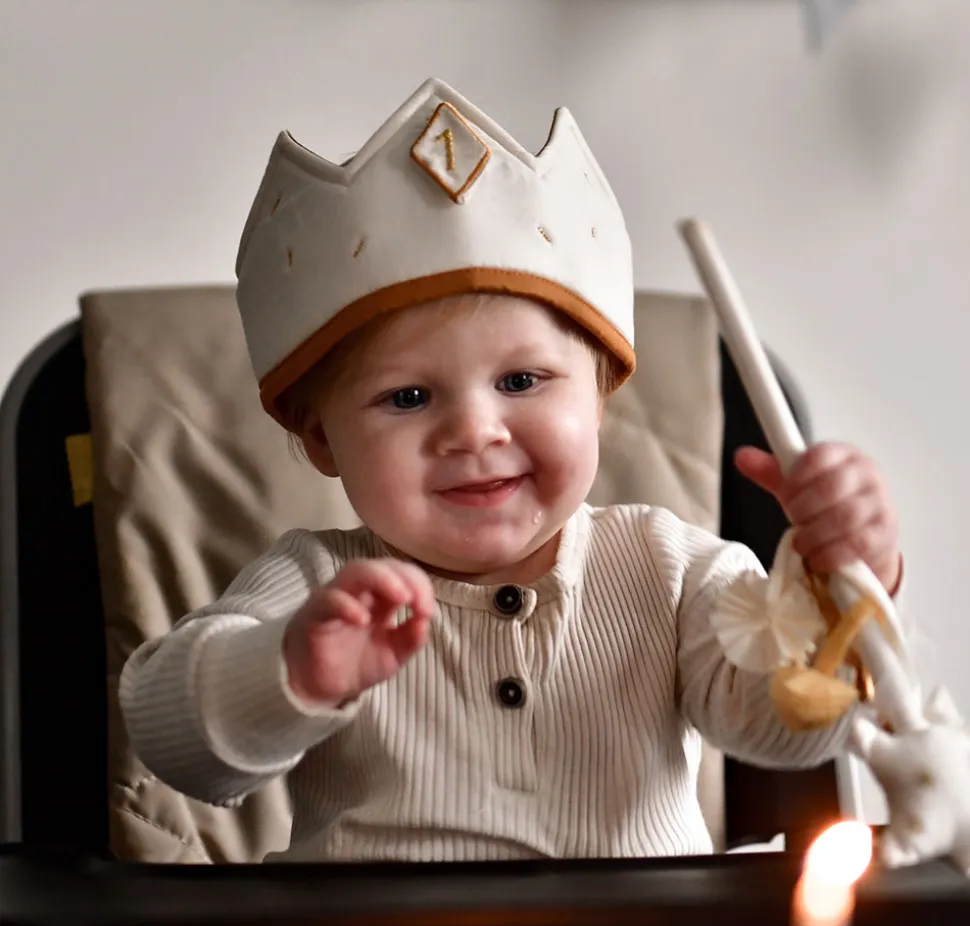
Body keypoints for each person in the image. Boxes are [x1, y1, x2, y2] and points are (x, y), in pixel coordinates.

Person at [120, 79, 901, 862]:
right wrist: (288, 670)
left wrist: (846, 582)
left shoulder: (670, 569)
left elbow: (788, 725)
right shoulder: (321, 584)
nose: (473, 430)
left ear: (600, 396)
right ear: (322, 438)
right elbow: (177, 745)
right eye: (408, 397)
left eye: (521, 381)